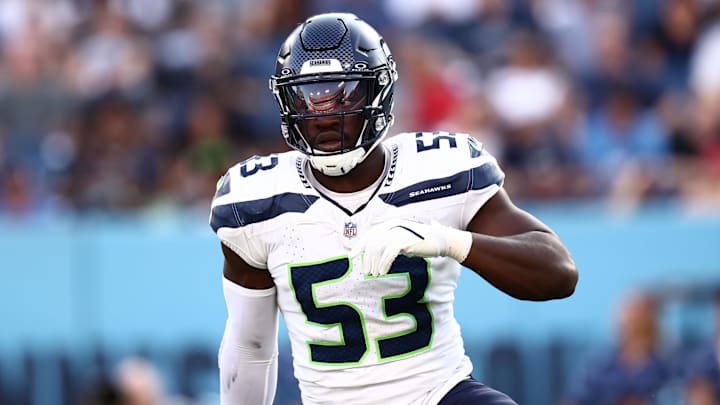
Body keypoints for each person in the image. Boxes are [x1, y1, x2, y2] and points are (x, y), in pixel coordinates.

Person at [209, 12, 578, 405]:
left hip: (438, 392)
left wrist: (448, 241)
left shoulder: (440, 170)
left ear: (379, 92)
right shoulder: (254, 202)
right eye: (308, 95)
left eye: (343, 92)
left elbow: (559, 274)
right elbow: (250, 345)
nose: (324, 113)